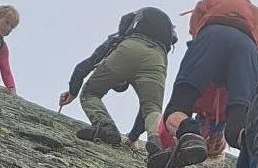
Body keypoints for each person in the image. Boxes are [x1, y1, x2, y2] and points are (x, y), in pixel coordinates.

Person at [146, 0, 258, 168]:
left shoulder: (209, 8)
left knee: (177, 108)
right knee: (238, 126)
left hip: (212, 36)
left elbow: (196, 26)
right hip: (249, 50)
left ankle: (188, 134)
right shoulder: (255, 22)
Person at [59, 8, 178, 145]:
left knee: (89, 93)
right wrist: (132, 138)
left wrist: (73, 91)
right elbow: (144, 112)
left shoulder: (119, 39)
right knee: (152, 107)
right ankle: (156, 139)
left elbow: (86, 65)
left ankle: (106, 126)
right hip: (158, 56)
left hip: (130, 46)